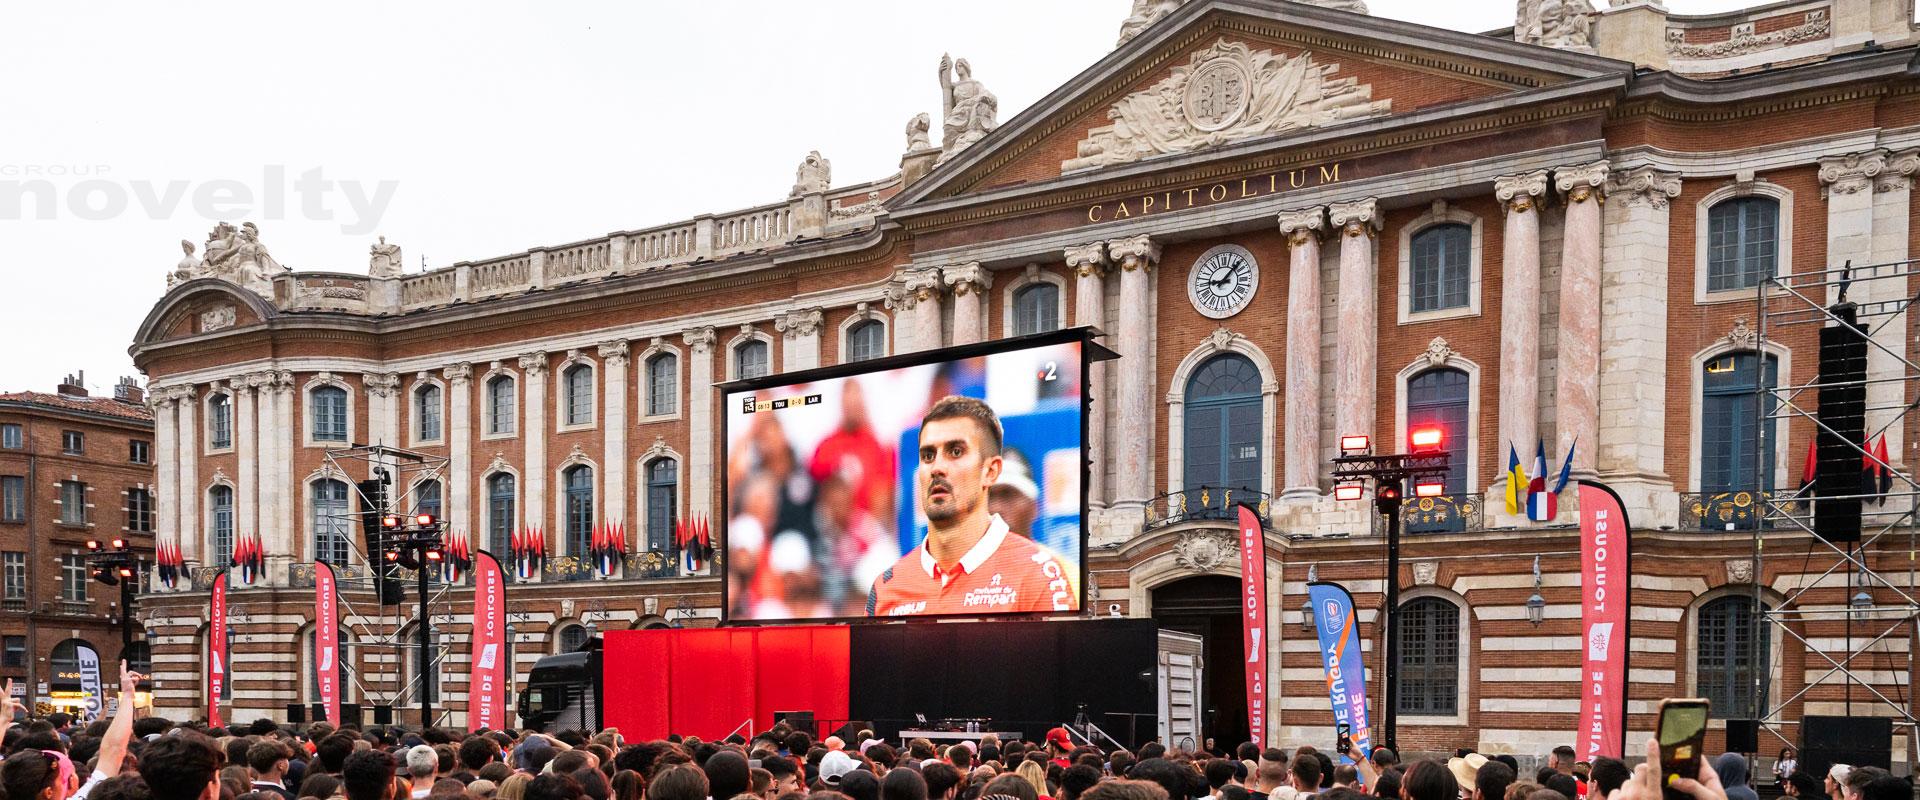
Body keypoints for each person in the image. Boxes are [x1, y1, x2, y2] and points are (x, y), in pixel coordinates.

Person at [867, 397, 1073, 616]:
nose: (937, 467)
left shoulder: (1039, 574)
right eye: (928, 455)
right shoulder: (886, 586)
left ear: (991, 471)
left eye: (955, 452)